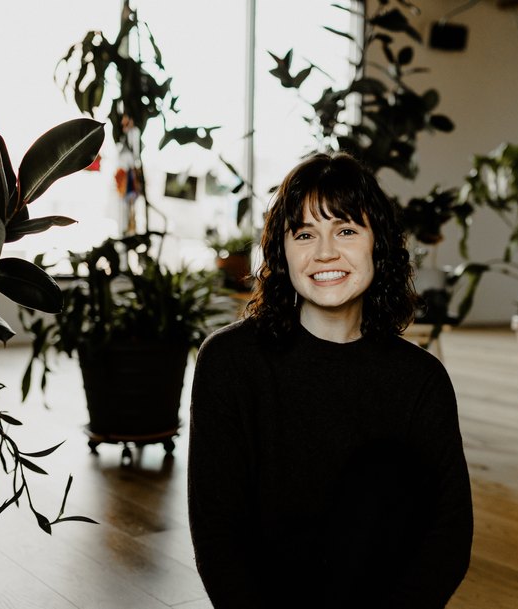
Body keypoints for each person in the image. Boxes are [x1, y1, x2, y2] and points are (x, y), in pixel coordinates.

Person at [187, 152, 473, 608]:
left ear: (377, 243)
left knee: (387, 468)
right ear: (282, 250)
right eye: (305, 234)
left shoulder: (420, 379)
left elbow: (449, 532)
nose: (324, 253)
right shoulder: (229, 362)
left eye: (345, 230)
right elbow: (217, 529)